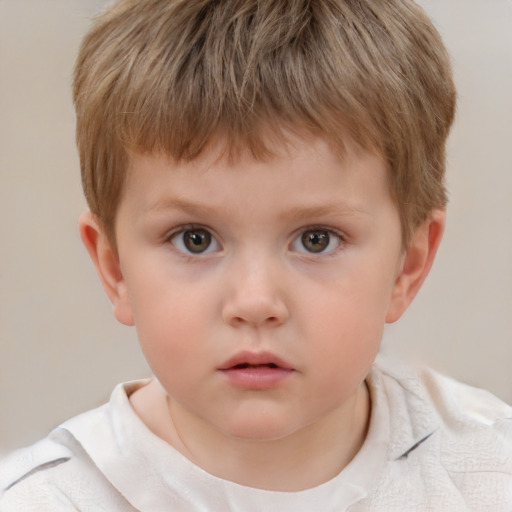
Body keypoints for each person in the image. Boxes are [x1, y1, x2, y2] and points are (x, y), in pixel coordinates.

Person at [1, 0, 510, 509]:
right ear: (115, 270)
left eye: (316, 239)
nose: (255, 301)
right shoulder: (46, 499)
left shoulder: (490, 472)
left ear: (408, 264)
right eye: (194, 239)